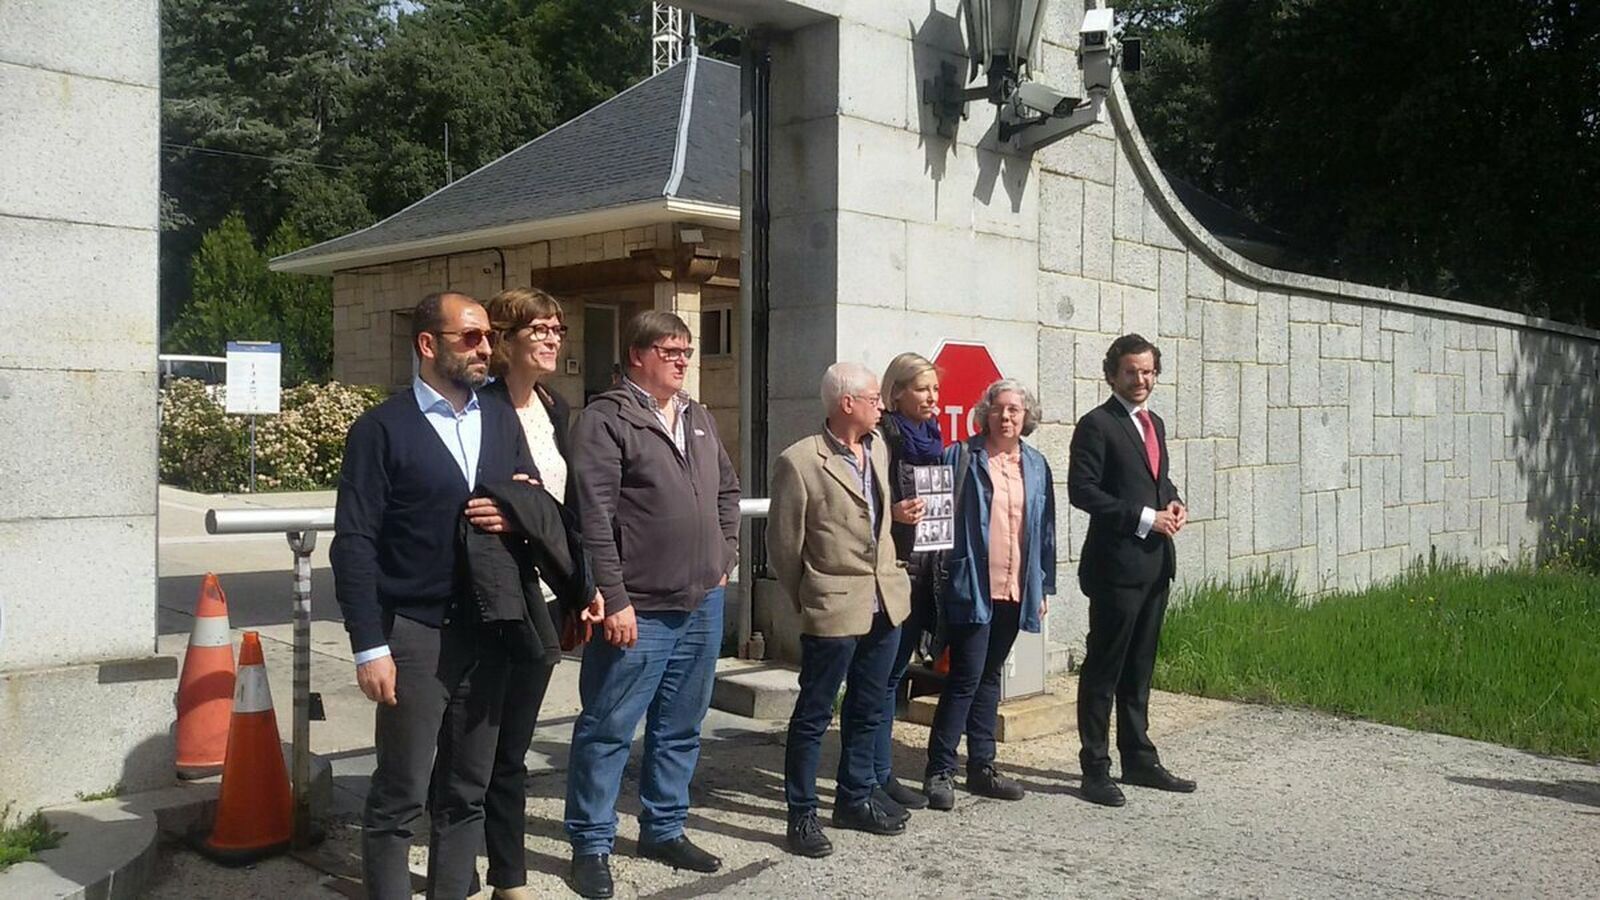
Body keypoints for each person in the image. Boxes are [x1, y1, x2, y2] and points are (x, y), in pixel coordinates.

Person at [330, 291, 538, 899]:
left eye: (488, 337)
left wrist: (514, 514)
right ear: (428, 344)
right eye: (469, 337)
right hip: (415, 633)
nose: (485, 348)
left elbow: (530, 502)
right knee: (400, 794)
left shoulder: (500, 418)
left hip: (490, 629)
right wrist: (369, 645)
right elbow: (355, 543)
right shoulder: (381, 430)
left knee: (466, 793)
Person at [563, 311, 741, 899]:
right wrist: (612, 598)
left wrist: (724, 555)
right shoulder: (606, 419)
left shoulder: (698, 417)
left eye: (687, 350)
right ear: (636, 355)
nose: (683, 360)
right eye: (671, 350)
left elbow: (727, 491)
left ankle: (664, 827)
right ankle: (591, 843)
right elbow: (594, 518)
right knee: (609, 727)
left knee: (682, 726)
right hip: (638, 606)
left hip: (701, 602)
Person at [768, 362, 913, 858]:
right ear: (846, 403)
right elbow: (785, 548)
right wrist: (809, 599)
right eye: (874, 397)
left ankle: (854, 796)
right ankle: (801, 813)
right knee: (814, 713)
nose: (882, 404)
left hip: (884, 602)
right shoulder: (800, 461)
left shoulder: (877, 448)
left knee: (870, 707)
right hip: (833, 605)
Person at [478, 287, 596, 900]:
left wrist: (581, 592)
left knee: (513, 742)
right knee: (478, 741)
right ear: (506, 338)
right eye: (539, 329)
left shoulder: (554, 407)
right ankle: (481, 871)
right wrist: (517, 506)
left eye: (558, 328)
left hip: (544, 594)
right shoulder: (483, 406)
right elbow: (484, 495)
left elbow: (559, 510)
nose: (553, 338)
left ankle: (507, 875)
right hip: (495, 597)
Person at [1068, 333, 1194, 807]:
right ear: (1112, 375)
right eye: (1131, 372)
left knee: (1139, 669)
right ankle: (1095, 769)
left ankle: (1138, 758)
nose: (1140, 380)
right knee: (1104, 668)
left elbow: (1154, 478)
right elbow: (1083, 490)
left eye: (1147, 371)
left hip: (1157, 565)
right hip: (1116, 568)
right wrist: (1146, 518)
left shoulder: (1153, 421)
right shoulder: (1097, 424)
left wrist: (1173, 502)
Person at [922, 379, 1057, 809]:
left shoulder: (1036, 466)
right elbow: (935, 522)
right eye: (999, 408)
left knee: (990, 676)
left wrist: (1043, 585)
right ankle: (939, 770)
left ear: (1026, 417)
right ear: (986, 413)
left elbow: (1046, 531)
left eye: (1015, 410)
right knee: (965, 676)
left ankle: (982, 766)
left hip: (1016, 587)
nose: (1007, 417)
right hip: (971, 586)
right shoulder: (961, 455)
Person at [871, 352, 945, 813]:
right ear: (896, 392)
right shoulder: (884, 438)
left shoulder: (934, 439)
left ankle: (883, 773)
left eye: (936, 389)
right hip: (892, 569)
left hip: (925, 571)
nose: (932, 398)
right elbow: (861, 502)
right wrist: (892, 514)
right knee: (880, 679)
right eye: (922, 389)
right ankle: (873, 776)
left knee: (896, 676)